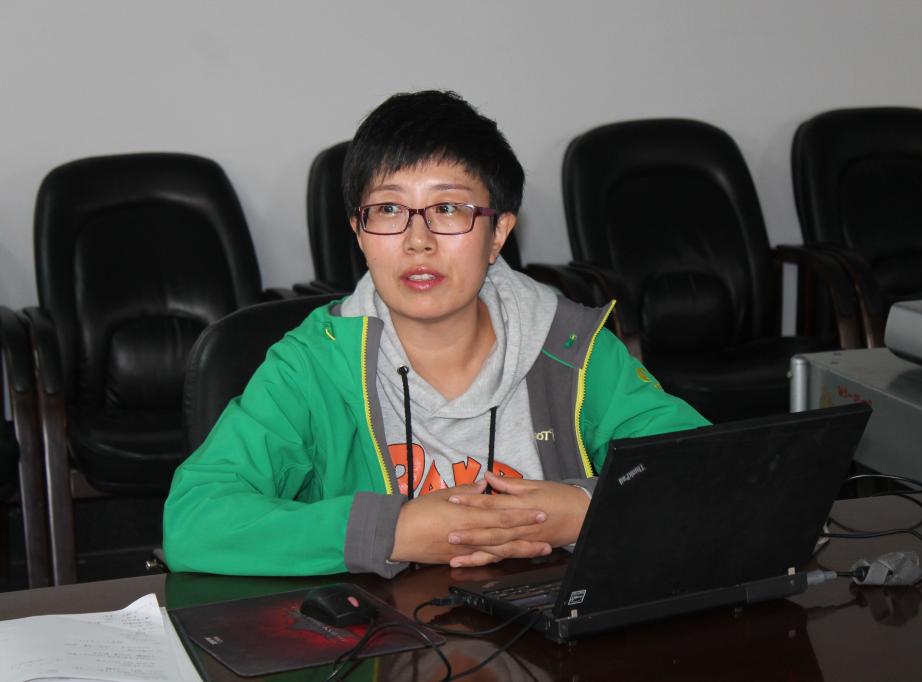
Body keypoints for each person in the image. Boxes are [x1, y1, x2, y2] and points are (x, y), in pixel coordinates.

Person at [162, 90, 708, 578]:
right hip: (379, 637)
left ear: (498, 232)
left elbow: (708, 475)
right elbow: (195, 521)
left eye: (448, 208)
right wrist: (394, 532)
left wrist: (586, 510)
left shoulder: (573, 350)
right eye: (389, 209)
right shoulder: (311, 365)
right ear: (359, 232)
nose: (417, 240)